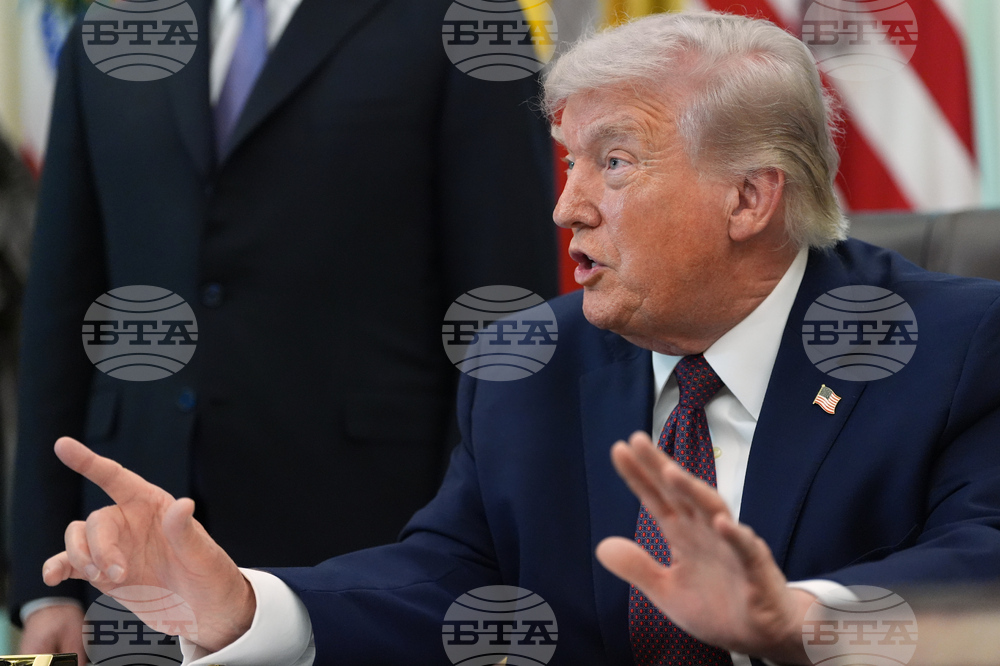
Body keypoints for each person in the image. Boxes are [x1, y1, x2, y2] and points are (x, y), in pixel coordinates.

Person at [41, 11, 1000, 666]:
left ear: (749, 198)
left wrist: (798, 617)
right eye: (568, 160)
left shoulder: (950, 348)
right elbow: (449, 576)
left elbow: (983, 561)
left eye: (612, 162)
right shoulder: (531, 363)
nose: (565, 206)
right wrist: (246, 607)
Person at [10, 0, 558, 659]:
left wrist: (477, 556)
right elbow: (61, 308)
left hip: (370, 548)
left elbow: (504, 316)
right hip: (127, 557)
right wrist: (44, 587)